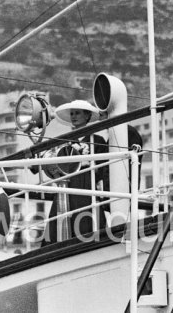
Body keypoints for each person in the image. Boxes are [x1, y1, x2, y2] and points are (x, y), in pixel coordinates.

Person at [42, 100, 108, 245]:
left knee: (89, 227)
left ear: (87, 116)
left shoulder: (98, 141)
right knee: (57, 229)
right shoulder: (63, 140)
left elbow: (103, 170)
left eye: (77, 113)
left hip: (87, 189)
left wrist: (88, 163)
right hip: (67, 188)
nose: (74, 116)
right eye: (72, 113)